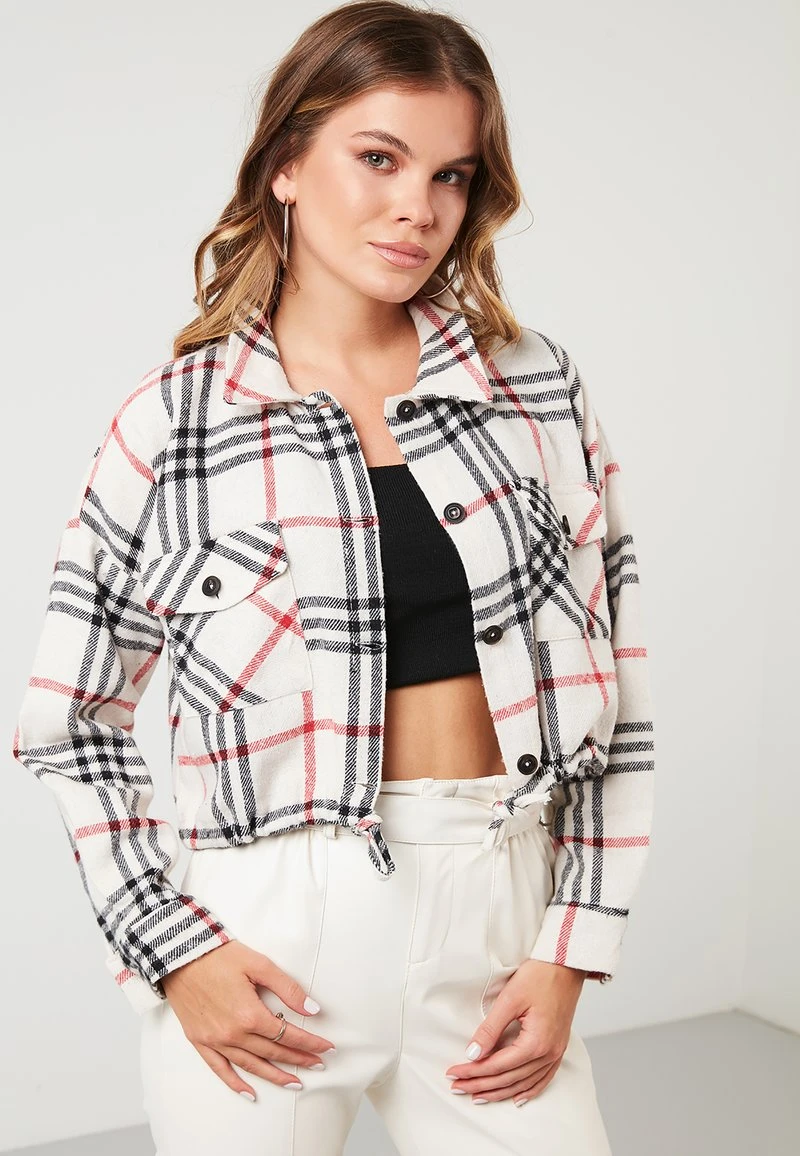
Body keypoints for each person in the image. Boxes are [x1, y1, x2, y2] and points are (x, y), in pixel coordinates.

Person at [11, 1, 656, 1152]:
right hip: (266, 936)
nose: (418, 207)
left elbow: (623, 689)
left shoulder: (534, 387)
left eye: (451, 175)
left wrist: (571, 944)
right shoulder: (173, 425)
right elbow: (70, 720)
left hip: (497, 914)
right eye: (377, 158)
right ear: (285, 166)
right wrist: (176, 951)